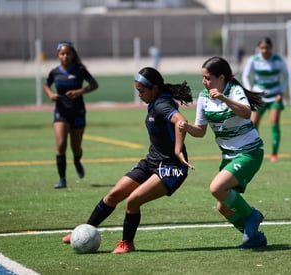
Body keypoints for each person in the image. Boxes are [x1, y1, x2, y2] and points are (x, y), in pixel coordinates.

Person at [62, 67, 195, 254]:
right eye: (137, 90)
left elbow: (181, 121)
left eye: (142, 91)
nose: (139, 95)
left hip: (172, 168)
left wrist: (178, 149)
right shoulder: (155, 101)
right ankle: (84, 230)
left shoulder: (161, 104)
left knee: (132, 201)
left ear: (154, 88)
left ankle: (127, 243)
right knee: (113, 195)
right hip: (151, 162)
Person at [179, 56, 267, 249]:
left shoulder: (234, 91)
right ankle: (254, 237)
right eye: (203, 77)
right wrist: (186, 127)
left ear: (221, 78)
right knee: (223, 207)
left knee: (216, 188)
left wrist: (223, 98)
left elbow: (246, 113)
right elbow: (200, 132)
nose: (204, 81)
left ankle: (252, 216)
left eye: (208, 78)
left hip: (249, 152)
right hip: (228, 156)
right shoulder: (203, 97)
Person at [43, 41, 99, 189]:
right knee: (61, 145)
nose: (65, 56)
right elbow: (46, 84)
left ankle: (76, 160)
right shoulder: (54, 72)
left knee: (76, 147)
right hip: (61, 112)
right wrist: (50, 94)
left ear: (73, 55)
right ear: (58, 56)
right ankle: (62, 179)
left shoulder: (79, 70)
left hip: (78, 111)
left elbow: (94, 85)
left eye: (68, 53)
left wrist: (79, 91)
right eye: (62, 54)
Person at [242, 37, 289, 163]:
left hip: (275, 96)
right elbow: (245, 75)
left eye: (266, 48)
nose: (264, 50)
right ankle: (255, 149)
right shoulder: (254, 60)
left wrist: (281, 92)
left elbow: (286, 76)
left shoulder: (278, 60)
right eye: (261, 48)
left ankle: (274, 154)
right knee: (253, 123)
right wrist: (249, 90)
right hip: (259, 97)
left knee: (274, 122)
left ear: (271, 48)